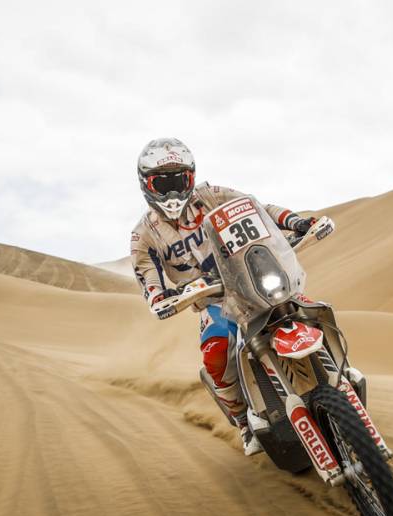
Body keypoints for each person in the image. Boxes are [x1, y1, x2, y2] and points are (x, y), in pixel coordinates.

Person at [130, 138, 317, 456]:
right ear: (148, 185)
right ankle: (244, 421)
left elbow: (258, 209)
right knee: (217, 353)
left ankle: (335, 374)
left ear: (190, 178)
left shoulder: (212, 195)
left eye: (179, 180)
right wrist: (158, 297)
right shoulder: (144, 234)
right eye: (163, 183)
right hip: (213, 300)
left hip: (252, 279)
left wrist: (296, 221)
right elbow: (147, 276)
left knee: (308, 309)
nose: (173, 191)